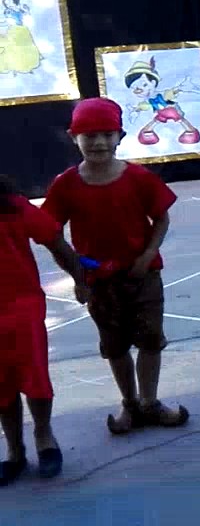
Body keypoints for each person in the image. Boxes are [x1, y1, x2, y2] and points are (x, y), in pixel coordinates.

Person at [42, 98, 189, 434]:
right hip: (99, 283)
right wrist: (78, 275)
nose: (98, 142)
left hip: (143, 276)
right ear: (72, 137)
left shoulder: (138, 178)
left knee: (151, 340)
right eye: (88, 135)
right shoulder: (65, 185)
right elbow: (51, 234)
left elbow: (161, 218)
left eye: (107, 134)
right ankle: (131, 404)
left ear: (120, 136)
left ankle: (150, 402)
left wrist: (146, 256)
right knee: (115, 345)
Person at [0, 175, 84, 484]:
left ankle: (44, 436)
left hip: (21, 308)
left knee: (34, 376)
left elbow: (54, 239)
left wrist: (79, 277)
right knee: (1, 385)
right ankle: (14, 451)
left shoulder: (14, 207)